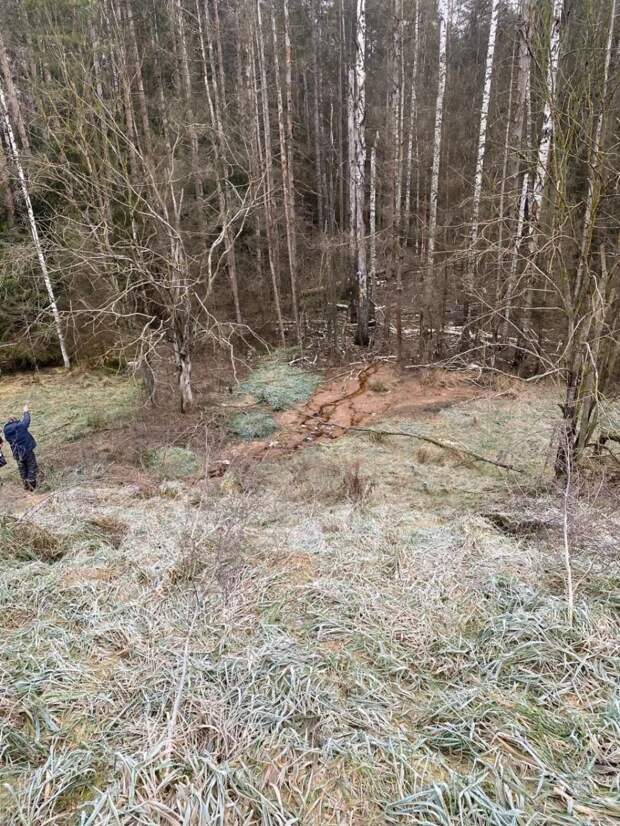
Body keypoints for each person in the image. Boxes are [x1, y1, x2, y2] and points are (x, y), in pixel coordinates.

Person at [4, 402, 38, 491]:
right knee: (31, 466)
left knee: (22, 468)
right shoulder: (19, 426)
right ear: (15, 420)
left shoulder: (6, 430)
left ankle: (26, 485)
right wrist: (25, 411)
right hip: (27, 450)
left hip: (16, 453)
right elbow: (26, 421)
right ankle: (32, 485)